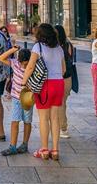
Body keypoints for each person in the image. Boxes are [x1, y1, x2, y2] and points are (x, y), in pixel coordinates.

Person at [22, 23, 65, 160]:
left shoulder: (37, 47)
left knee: (43, 118)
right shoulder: (59, 49)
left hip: (44, 85)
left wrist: (24, 82)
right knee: (55, 118)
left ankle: (45, 149)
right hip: (58, 84)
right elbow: (63, 70)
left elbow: (30, 67)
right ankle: (56, 150)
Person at [0, 45, 33, 155]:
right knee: (15, 121)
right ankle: (12, 146)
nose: (25, 65)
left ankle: (24, 144)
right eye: (23, 63)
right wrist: (13, 50)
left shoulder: (33, 66)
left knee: (27, 121)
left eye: (27, 62)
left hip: (28, 98)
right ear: (19, 61)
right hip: (16, 98)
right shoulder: (16, 64)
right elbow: (1, 58)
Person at [54, 24, 76, 139]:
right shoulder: (68, 45)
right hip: (68, 78)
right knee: (63, 103)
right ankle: (60, 126)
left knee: (60, 104)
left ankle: (63, 128)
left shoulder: (57, 47)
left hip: (60, 77)